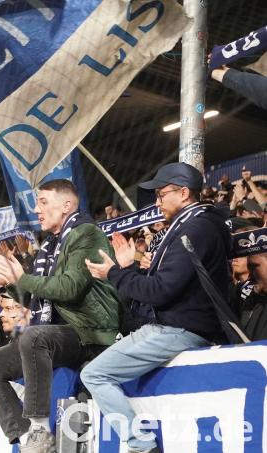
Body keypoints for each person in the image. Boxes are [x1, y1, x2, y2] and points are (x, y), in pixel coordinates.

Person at [83, 162, 231, 453]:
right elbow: (165, 286)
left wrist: (115, 273)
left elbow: (160, 291)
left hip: (180, 328)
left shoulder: (196, 228)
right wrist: (128, 268)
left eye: (162, 194)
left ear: (184, 193)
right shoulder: (195, 224)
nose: (157, 201)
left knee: (94, 374)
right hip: (176, 324)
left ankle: (142, 446)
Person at [0, 179, 120, 453]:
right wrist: (9, 282)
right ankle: (28, 437)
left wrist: (21, 277)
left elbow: (69, 288)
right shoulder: (50, 244)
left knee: (34, 336)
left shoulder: (86, 234)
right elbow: (39, 297)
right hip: (57, 333)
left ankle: (40, 430)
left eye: (42, 202)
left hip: (88, 330)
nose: (36, 209)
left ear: (66, 205)